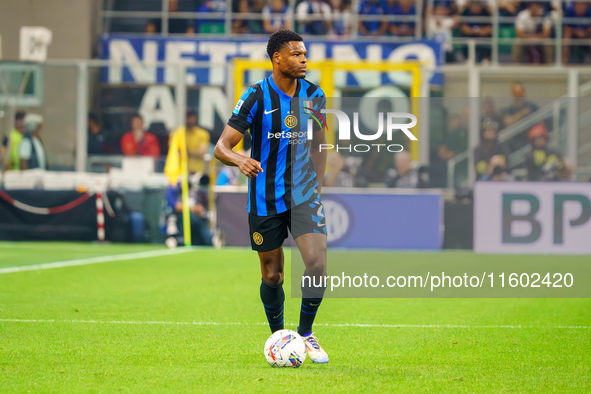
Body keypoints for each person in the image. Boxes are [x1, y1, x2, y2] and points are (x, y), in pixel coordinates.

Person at [214, 30, 329, 363]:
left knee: (317, 264)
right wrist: (240, 159)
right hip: (265, 198)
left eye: (305, 54)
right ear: (277, 58)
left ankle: (305, 333)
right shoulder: (255, 97)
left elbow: (319, 140)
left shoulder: (314, 94)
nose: (303, 59)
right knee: (272, 275)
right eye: (296, 54)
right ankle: (278, 337)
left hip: (303, 194)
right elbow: (222, 147)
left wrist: (317, 185)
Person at [164, 111, 211, 185]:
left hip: (197, 172)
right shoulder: (177, 133)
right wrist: (190, 152)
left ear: (196, 118)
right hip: (179, 173)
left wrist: (184, 151)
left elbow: (202, 152)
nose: (190, 120)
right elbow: (173, 151)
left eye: (191, 117)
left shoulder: (202, 133)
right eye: (188, 117)